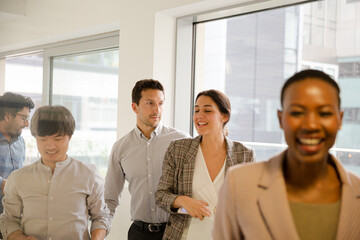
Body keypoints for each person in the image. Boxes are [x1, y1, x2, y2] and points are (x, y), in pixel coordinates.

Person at [213, 69, 360, 240]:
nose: (311, 125)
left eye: (324, 113)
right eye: (297, 112)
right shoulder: (239, 185)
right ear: (281, 118)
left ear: (340, 119)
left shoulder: (356, 192)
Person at [155, 89, 255, 240]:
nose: (199, 116)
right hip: (185, 235)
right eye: (196, 110)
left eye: (207, 110)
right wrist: (182, 200)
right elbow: (161, 195)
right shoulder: (178, 149)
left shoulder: (244, 154)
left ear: (225, 116)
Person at [0, 105, 110, 240]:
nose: (50, 146)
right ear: (35, 138)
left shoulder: (89, 175)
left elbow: (101, 217)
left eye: (58, 139)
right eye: (43, 139)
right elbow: (9, 219)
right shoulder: (18, 178)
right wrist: (20, 238)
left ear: (69, 137)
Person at [105, 79, 189, 240]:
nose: (157, 109)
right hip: (139, 233)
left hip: (176, 231)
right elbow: (110, 199)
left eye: (161, 103)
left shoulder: (181, 141)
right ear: (134, 107)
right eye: (150, 103)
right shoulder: (121, 148)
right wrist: (100, 233)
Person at [0, 92, 34, 223]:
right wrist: (3, 183)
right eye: (23, 118)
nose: (27, 124)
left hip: (13, 216)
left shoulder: (20, 142)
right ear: (8, 116)